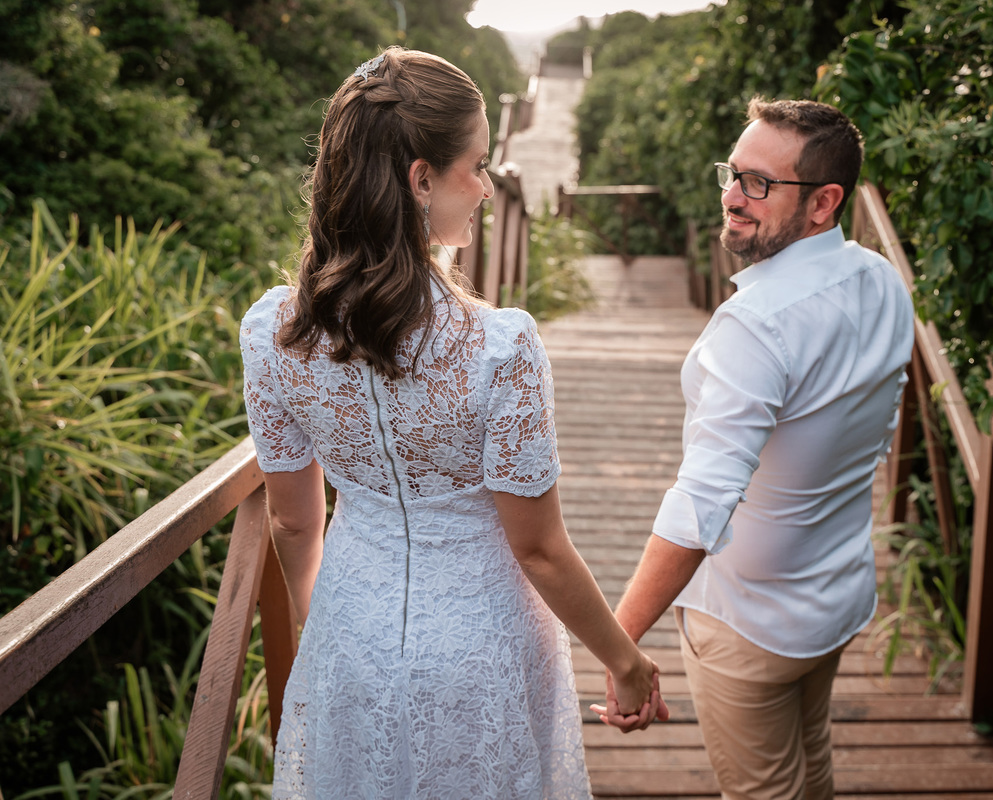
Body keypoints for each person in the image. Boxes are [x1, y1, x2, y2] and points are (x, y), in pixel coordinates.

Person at [240, 47, 661, 798]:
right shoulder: (501, 346)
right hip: (483, 651)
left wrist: (325, 627)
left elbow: (294, 524)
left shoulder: (272, 331)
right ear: (421, 179)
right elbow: (538, 549)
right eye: (478, 163)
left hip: (347, 635)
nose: (490, 186)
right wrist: (626, 662)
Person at [599, 99, 915, 799]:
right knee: (813, 765)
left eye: (759, 184)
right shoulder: (885, 280)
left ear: (824, 202)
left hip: (747, 622)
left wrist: (618, 644)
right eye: (732, 174)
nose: (732, 198)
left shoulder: (756, 325)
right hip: (835, 595)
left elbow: (699, 506)